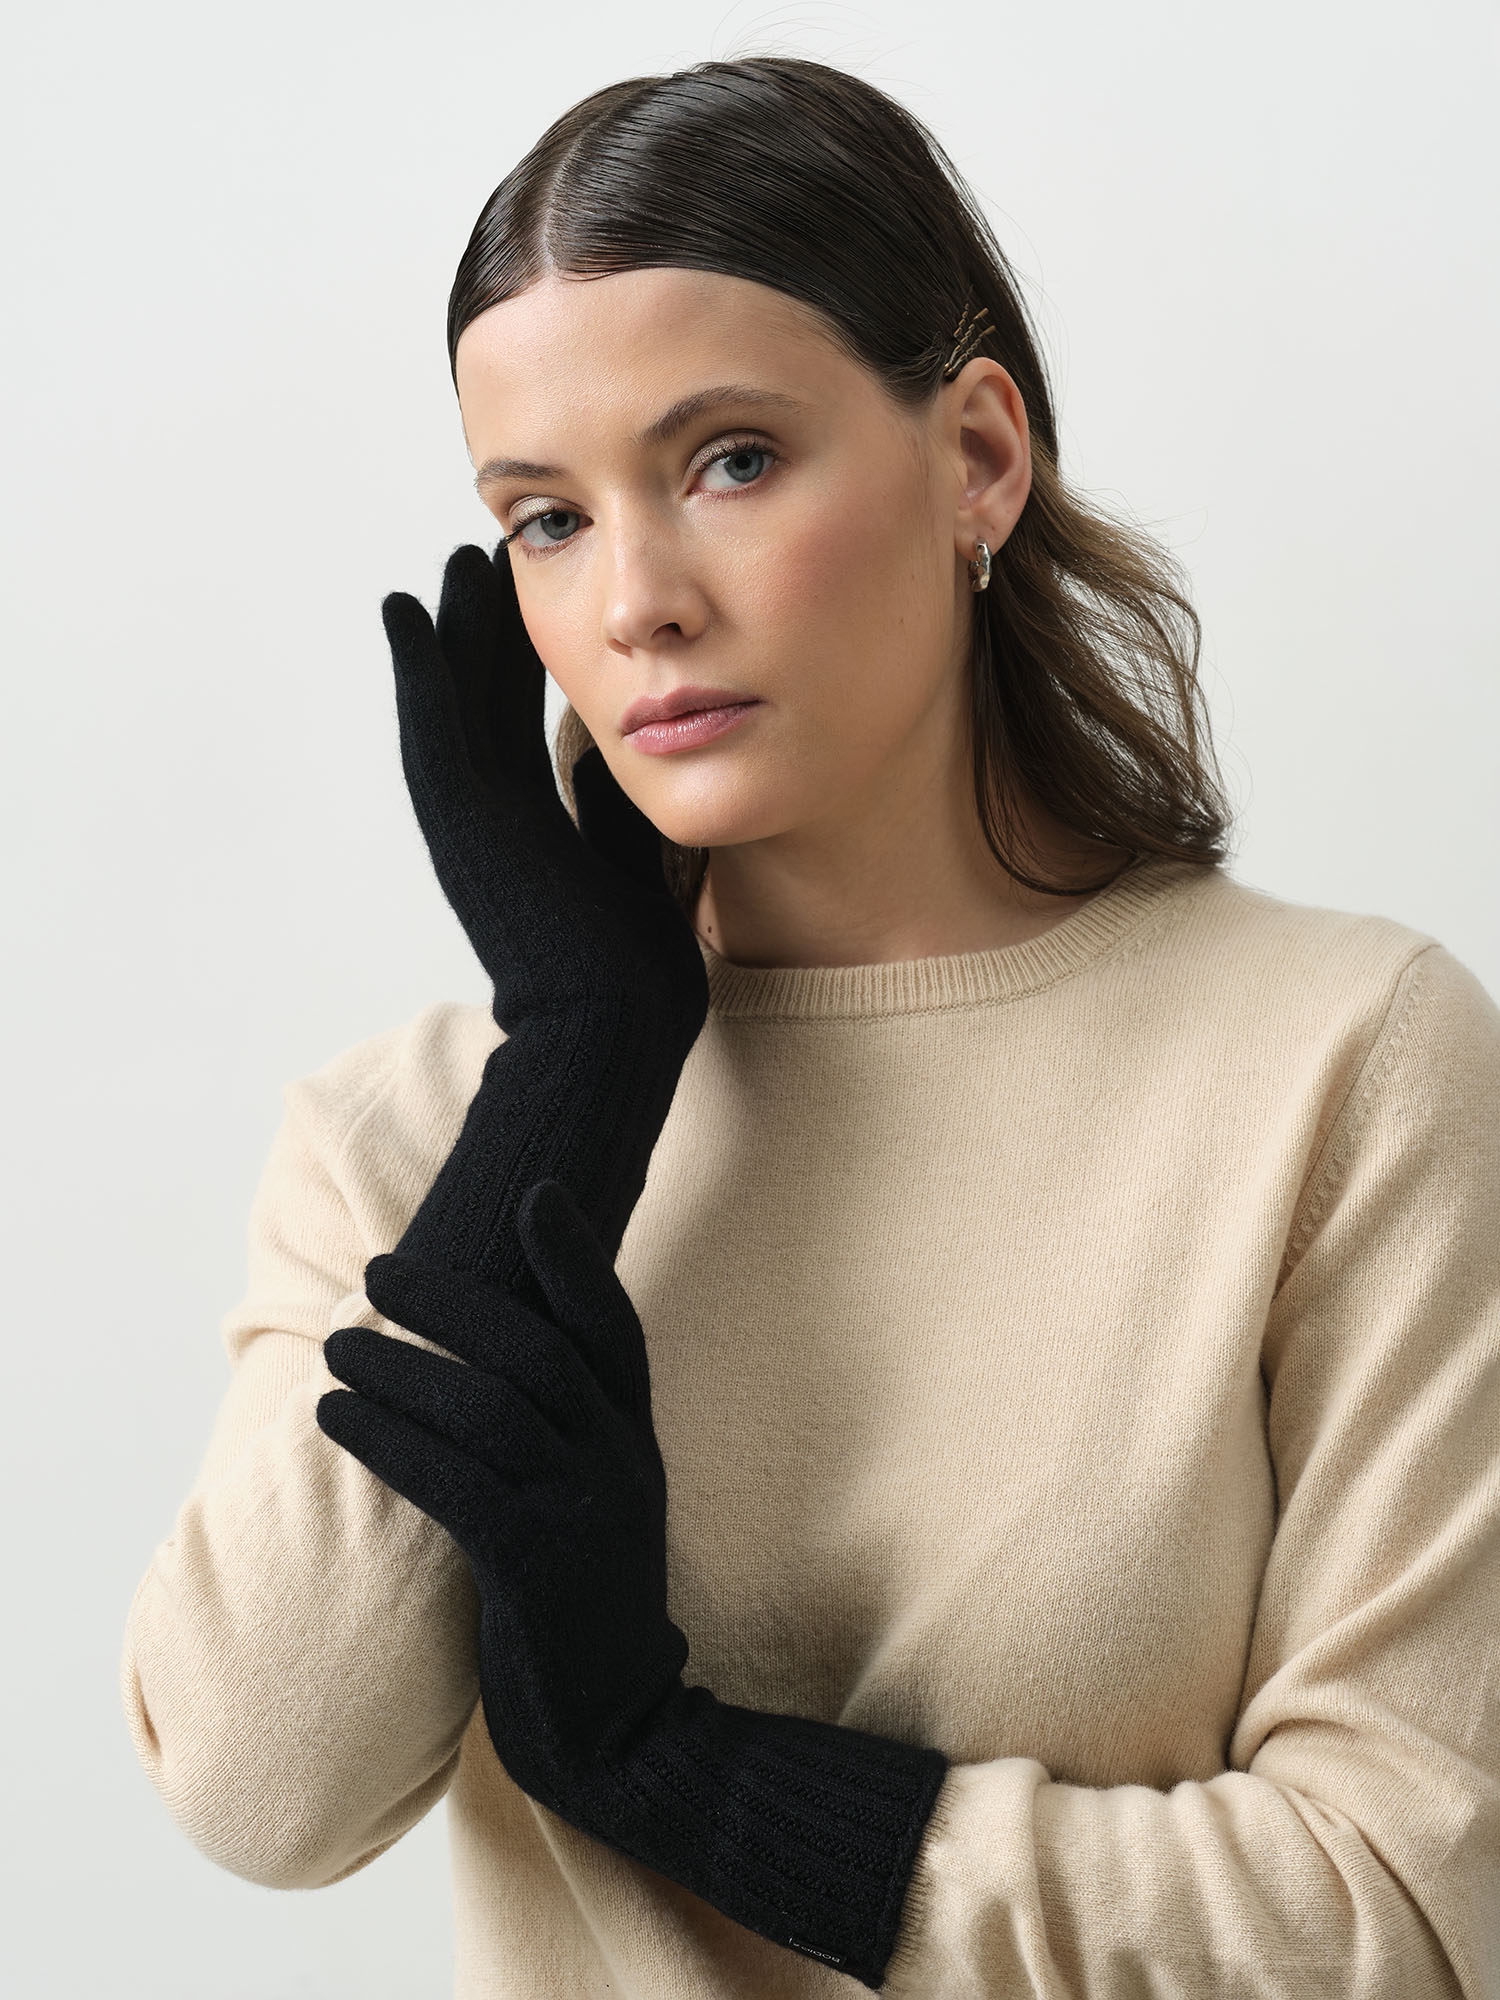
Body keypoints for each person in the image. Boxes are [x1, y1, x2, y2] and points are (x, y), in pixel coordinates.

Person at [119, 54, 1500, 1998]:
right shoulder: (418, 1136)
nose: (637, 603)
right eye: (547, 518)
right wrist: (577, 1068)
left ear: (979, 458)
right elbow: (267, 1791)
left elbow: (1412, 1923)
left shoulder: (1344, 1067)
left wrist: (684, 1773)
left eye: (731, 462)